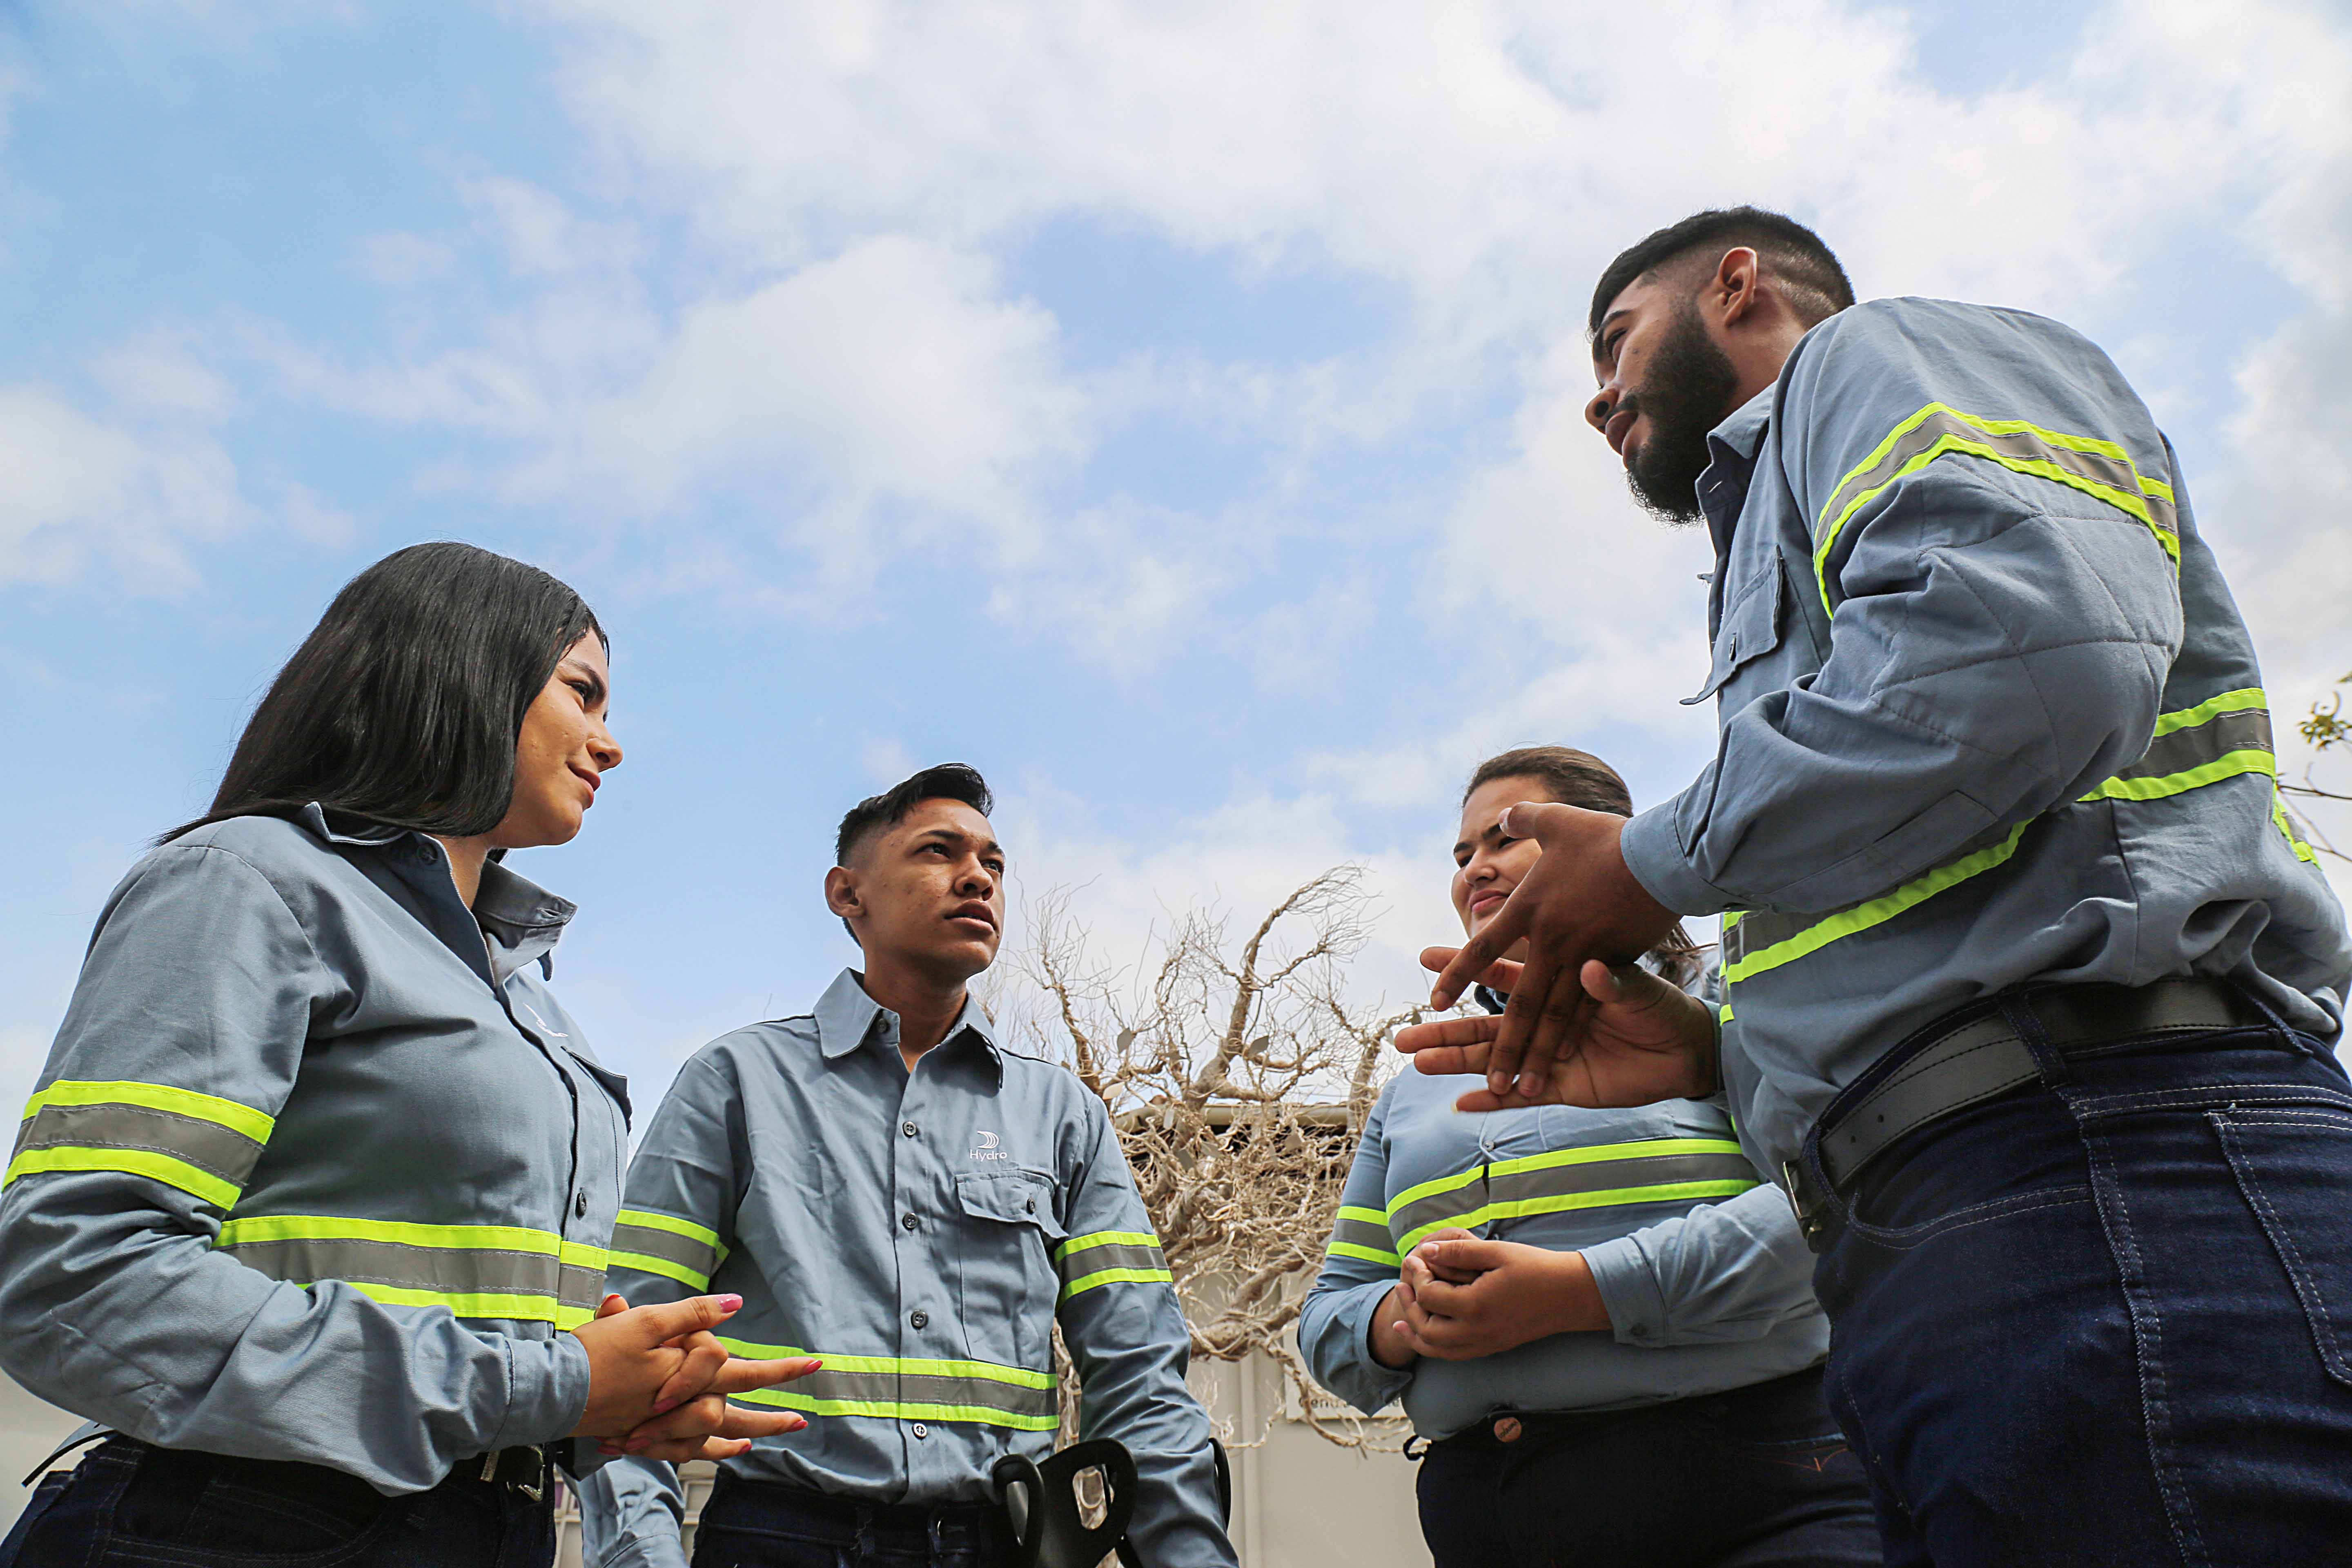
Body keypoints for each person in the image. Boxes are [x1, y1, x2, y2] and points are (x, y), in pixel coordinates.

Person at [1397, 208, 2352, 1563]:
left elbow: (2034, 656)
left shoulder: (1872, 358)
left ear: (1735, 287)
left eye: (1615, 341)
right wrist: (1714, 1057)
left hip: (2104, 1176)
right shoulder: (1783, 527)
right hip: (1968, 1227)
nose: (1598, 398)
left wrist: (1649, 864)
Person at [0, 543, 813, 1568]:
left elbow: (462, 1331)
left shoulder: (529, 995)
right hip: (236, 1524)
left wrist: (604, 1404)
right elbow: (75, 1277)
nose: (611, 746)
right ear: (467, 668)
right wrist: (550, 1385)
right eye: (585, 694)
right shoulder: (249, 882)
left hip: (476, 1526)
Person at [577, 764, 1237, 1568]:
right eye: (938, 851)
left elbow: (1139, 1378)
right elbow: (632, 1352)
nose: (977, 879)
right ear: (848, 895)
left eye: (993, 865)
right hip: (779, 1536)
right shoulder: (736, 1084)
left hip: (1001, 1539)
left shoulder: (1064, 1117)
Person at [1302, 745, 1878, 1568]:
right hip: (1491, 1522)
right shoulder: (1414, 1092)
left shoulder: (1728, 1007)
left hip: (1757, 1496)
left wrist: (1580, 1295)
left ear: (1600, 842)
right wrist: (1404, 1320)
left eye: (1504, 839)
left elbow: (1826, 1212)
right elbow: (1332, 1313)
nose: (1476, 869)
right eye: (1462, 855)